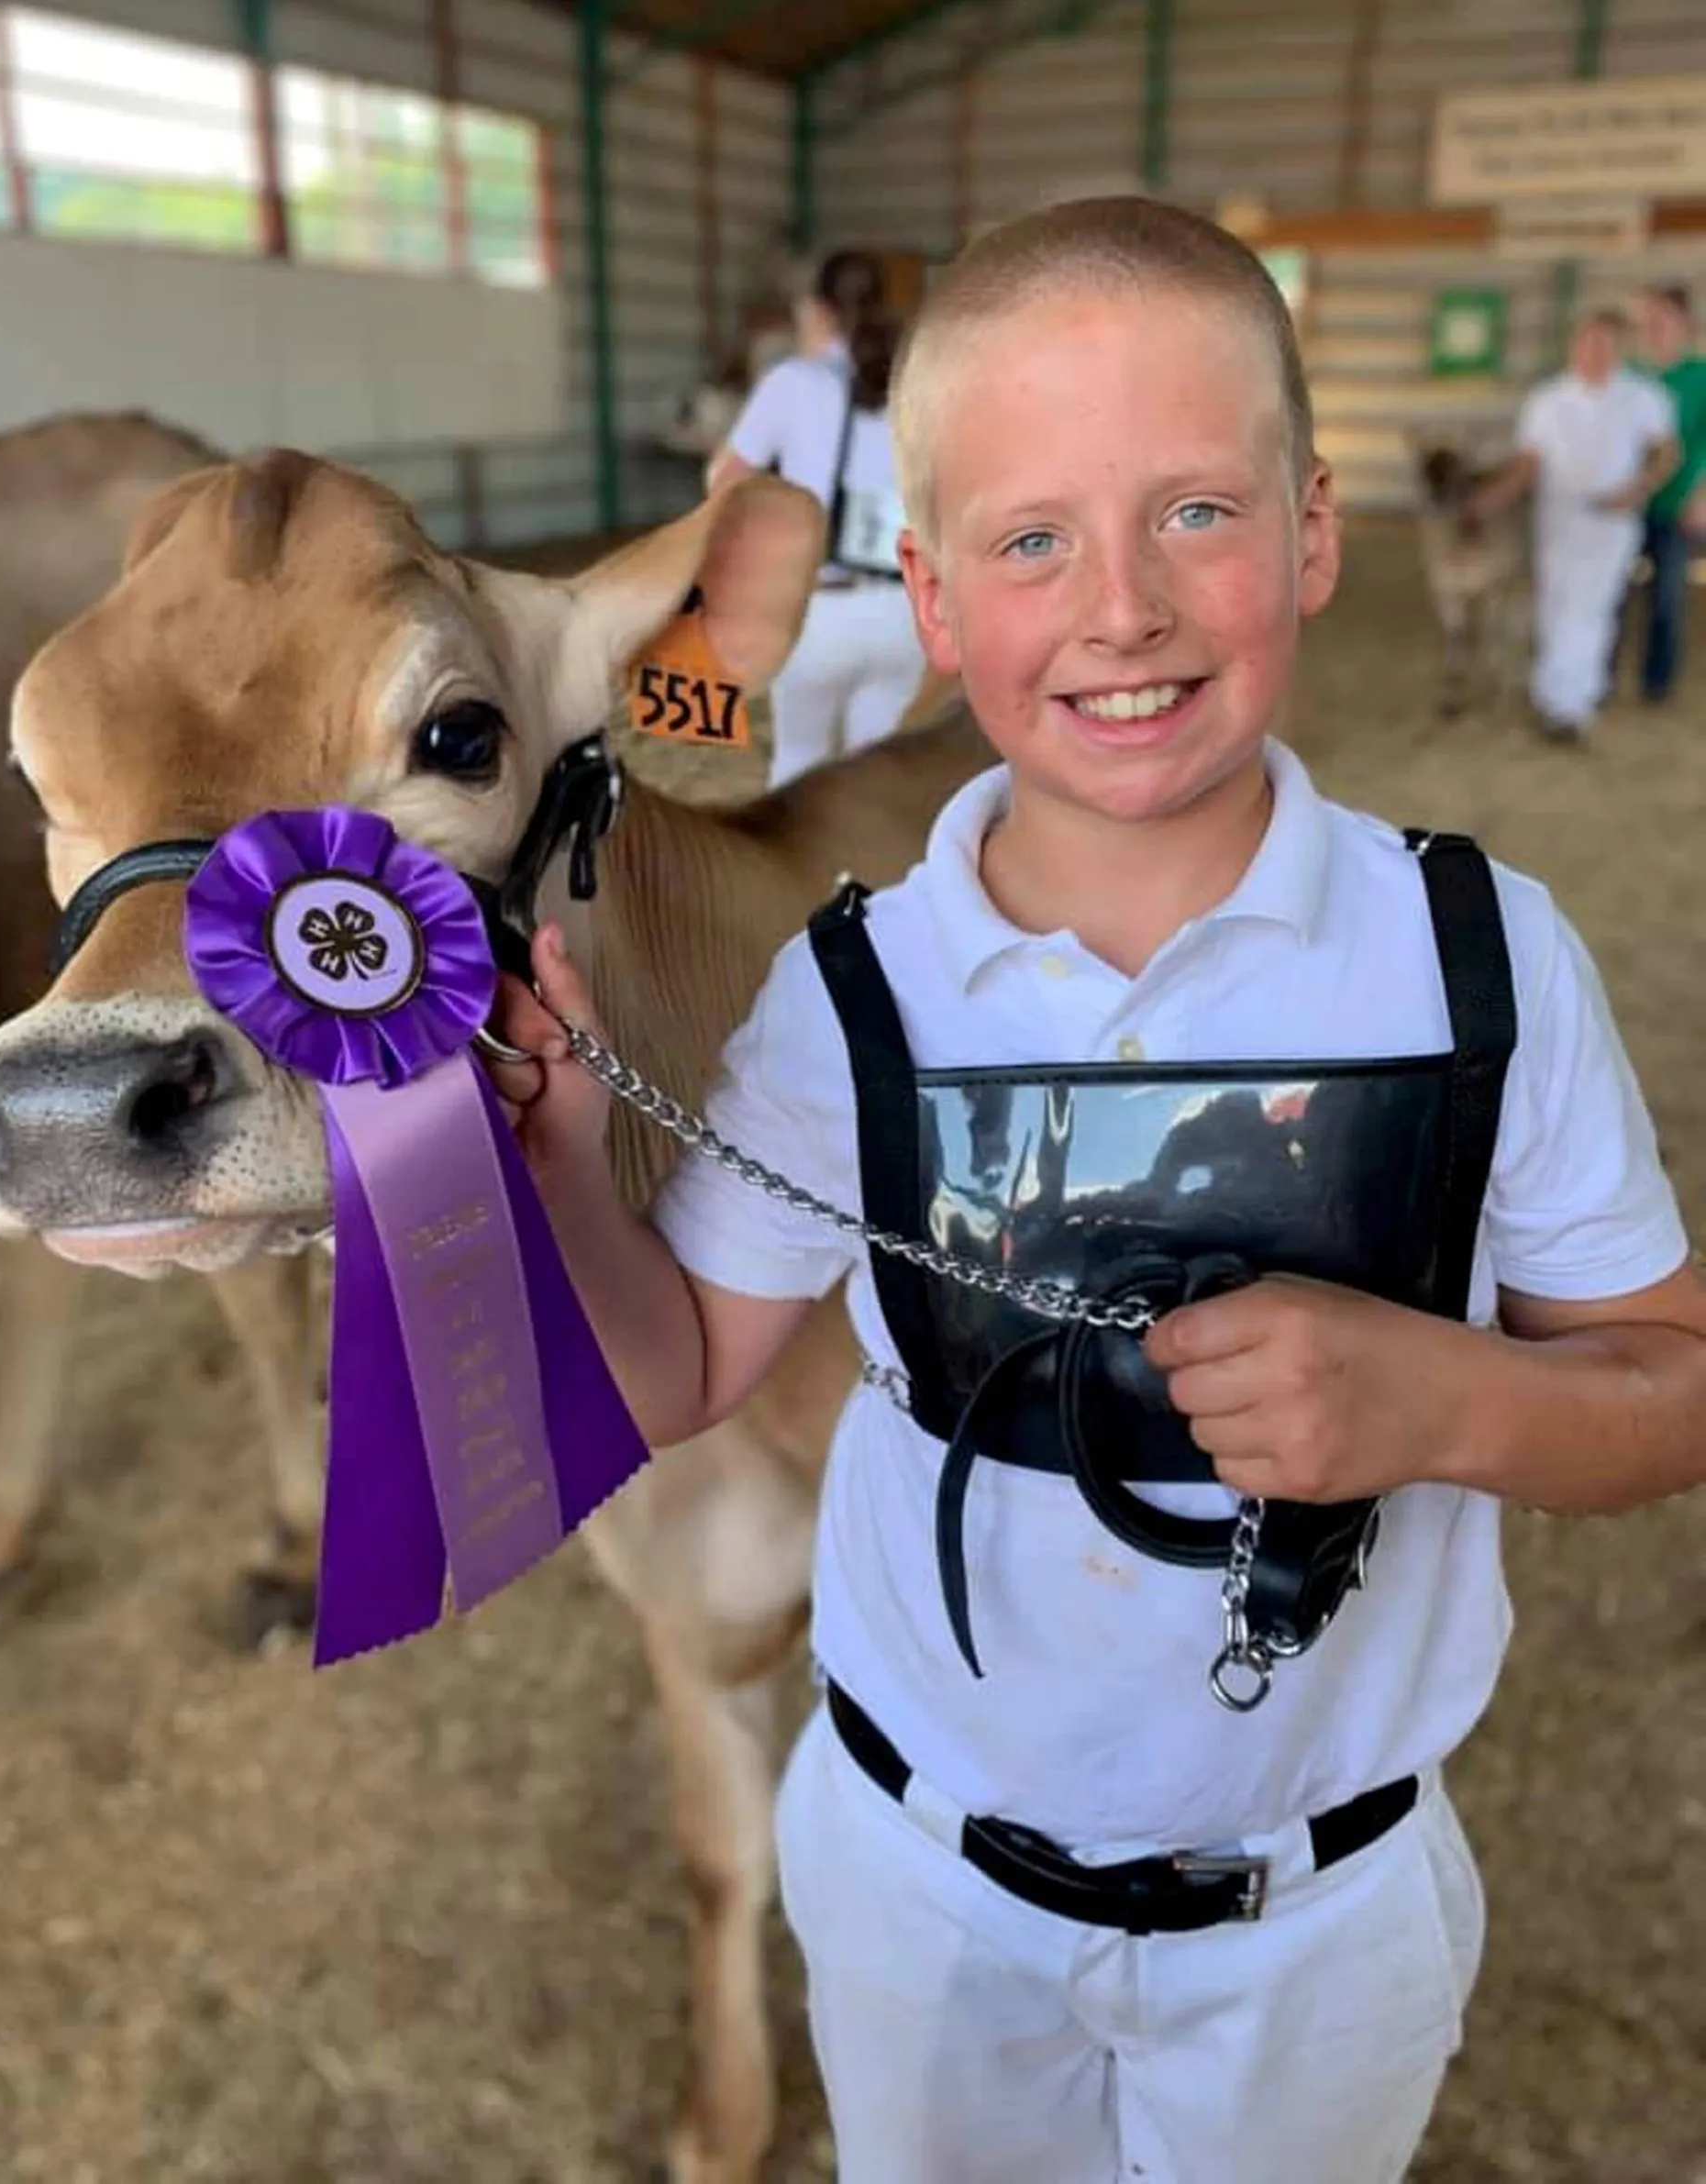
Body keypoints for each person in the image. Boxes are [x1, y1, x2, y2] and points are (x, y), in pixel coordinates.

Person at [492, 198, 1706, 2184]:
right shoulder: (852, 989)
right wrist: (557, 1165)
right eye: (1034, 536)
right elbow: (679, 1366)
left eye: (1198, 512)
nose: (1122, 604)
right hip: (922, 1888)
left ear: (1314, 530)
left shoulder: (1482, 958)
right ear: (936, 596)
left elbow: (1670, 1384)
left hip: (1320, 1922)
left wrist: (1448, 1400)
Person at [705, 249, 926, 787]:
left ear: (818, 309)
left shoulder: (795, 380)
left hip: (818, 612)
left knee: (798, 771)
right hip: (905, 612)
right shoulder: (916, 380)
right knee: (876, 779)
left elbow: (723, 480)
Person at [1468, 308, 1677, 741]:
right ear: (1573, 347)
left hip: (1612, 522)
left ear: (1618, 349)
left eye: (1604, 344)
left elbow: (1665, 454)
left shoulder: (1643, 397)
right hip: (1558, 520)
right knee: (1555, 608)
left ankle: (1572, 706)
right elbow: (1528, 463)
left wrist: (1638, 489)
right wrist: (1491, 498)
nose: (1594, 353)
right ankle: (1552, 697)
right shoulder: (1547, 400)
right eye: (1587, 343)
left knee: (1592, 609)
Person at [1633, 283, 1706, 702]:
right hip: (1628, 504)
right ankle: (1597, 675)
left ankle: (1656, 682)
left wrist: (1701, 496)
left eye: (1662, 319)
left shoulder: (1700, 375)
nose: (1653, 328)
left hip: (1678, 504)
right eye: (1648, 320)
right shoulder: (1632, 375)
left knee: (1666, 594)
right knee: (1612, 592)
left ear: (1684, 324)